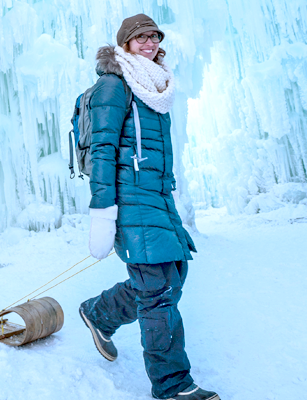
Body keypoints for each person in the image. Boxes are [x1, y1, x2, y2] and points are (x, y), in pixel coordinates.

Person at [77, 14, 220, 400]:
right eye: (140, 37)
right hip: (129, 200)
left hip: (157, 198)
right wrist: (104, 210)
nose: (149, 42)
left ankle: (99, 313)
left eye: (154, 36)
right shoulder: (113, 85)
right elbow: (104, 151)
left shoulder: (154, 87)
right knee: (157, 291)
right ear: (125, 43)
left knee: (174, 274)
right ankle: (173, 386)